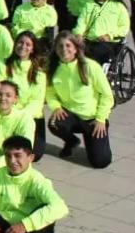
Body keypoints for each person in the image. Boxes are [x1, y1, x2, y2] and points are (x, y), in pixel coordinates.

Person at [45, 32, 113, 168]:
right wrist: (56, 107)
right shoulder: (53, 69)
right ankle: (71, 141)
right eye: (60, 46)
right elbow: (50, 93)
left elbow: (107, 95)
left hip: (92, 118)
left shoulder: (90, 66)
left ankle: (91, 141)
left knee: (101, 162)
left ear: (75, 48)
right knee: (54, 123)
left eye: (68, 45)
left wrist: (101, 119)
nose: (64, 49)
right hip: (69, 115)